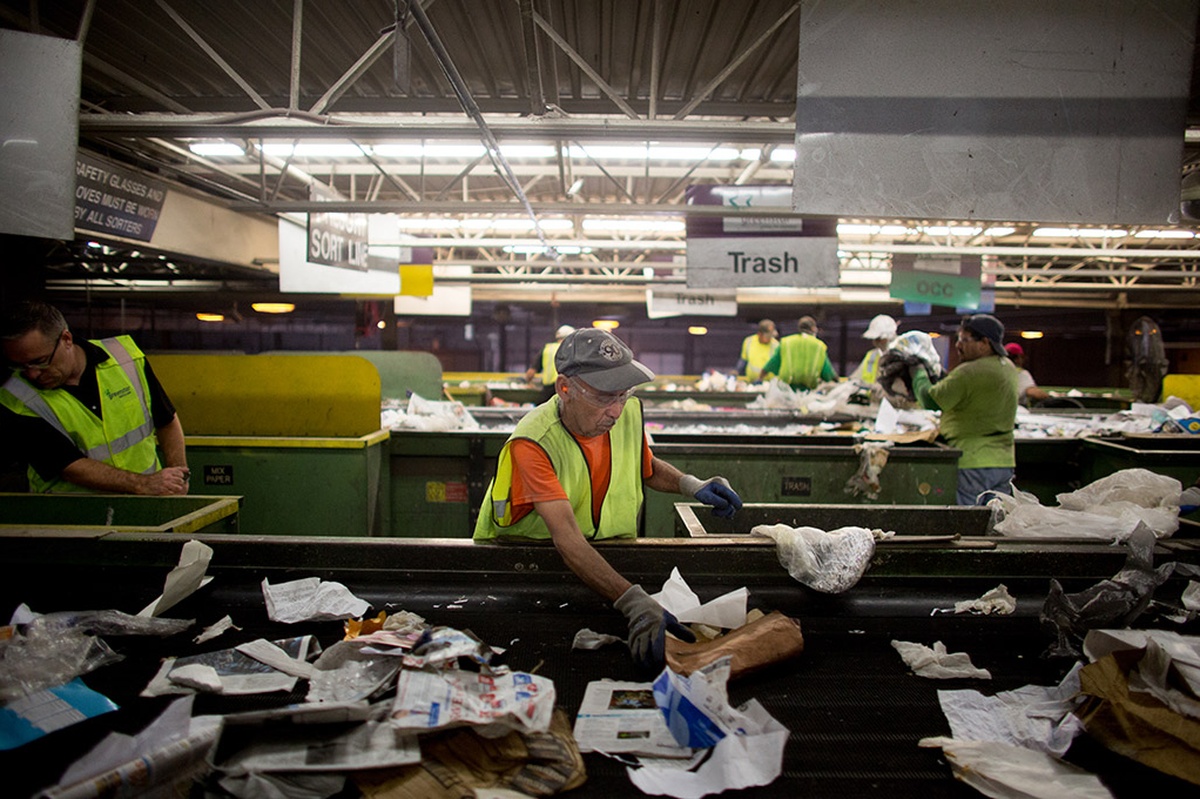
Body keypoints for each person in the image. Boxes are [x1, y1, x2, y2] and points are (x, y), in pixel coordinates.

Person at [475, 328, 743, 670]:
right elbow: (568, 540)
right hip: (527, 578)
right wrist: (634, 603)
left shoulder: (624, 414)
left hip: (602, 569)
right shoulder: (534, 442)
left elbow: (645, 466)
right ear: (565, 388)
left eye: (623, 394)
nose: (616, 411)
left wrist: (691, 485)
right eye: (604, 397)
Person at [0, 299, 190, 494]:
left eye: (40, 361)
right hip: (72, 511)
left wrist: (179, 474)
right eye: (20, 366)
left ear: (66, 339)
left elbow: (166, 420)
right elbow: (68, 465)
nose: (32, 374)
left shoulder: (126, 359)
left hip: (144, 505)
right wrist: (143, 484)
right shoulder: (17, 398)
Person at [909, 314, 1018, 506]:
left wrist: (918, 372)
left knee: (968, 519)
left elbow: (930, 400)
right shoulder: (1008, 367)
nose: (958, 345)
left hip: (972, 462)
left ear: (984, 343)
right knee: (997, 517)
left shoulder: (969, 371)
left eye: (964, 340)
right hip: (1004, 461)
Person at [760, 315, 837, 390]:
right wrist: (837, 381)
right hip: (808, 391)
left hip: (787, 390)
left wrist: (760, 378)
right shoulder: (819, 346)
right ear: (813, 329)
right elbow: (827, 372)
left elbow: (771, 364)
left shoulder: (786, 342)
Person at [524, 324, 575, 403]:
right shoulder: (571, 350)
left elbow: (531, 373)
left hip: (547, 391)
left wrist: (528, 383)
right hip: (564, 389)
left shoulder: (547, 349)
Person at [849, 314, 898, 386]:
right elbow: (855, 378)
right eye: (874, 339)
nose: (875, 343)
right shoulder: (871, 355)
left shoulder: (900, 357)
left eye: (878, 339)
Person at [1004, 343, 1050, 407]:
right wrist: (1049, 397)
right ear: (1018, 359)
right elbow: (1032, 392)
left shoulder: (998, 371)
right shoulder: (1021, 373)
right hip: (1016, 408)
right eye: (1022, 357)